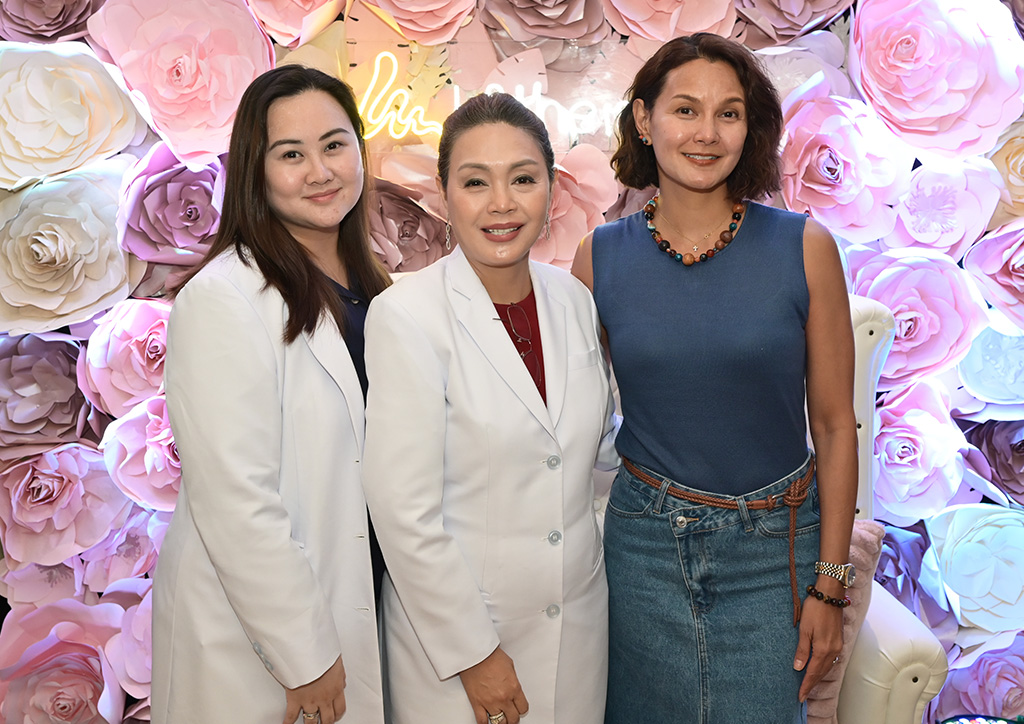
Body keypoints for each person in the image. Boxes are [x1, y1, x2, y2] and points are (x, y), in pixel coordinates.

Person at [572, 33, 858, 723]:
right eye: (686, 110)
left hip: (773, 553)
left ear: (749, 127)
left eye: (728, 113)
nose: (707, 133)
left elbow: (834, 426)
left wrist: (829, 586)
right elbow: (570, 419)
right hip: (644, 551)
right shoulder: (597, 258)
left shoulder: (805, 248)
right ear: (645, 120)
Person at [361, 92, 619, 724]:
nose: (502, 203)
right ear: (444, 196)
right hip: (461, 649)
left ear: (552, 190)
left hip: (579, 632)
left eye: (523, 179)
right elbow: (403, 511)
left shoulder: (573, 299)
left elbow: (599, 454)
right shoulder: (406, 314)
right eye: (476, 182)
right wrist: (474, 654)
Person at [151, 65, 390, 724]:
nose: (320, 171)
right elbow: (236, 498)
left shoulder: (378, 290)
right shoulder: (223, 298)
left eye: (335, 145)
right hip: (261, 640)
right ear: (255, 171)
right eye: (291, 155)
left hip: (362, 597)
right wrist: (304, 654)